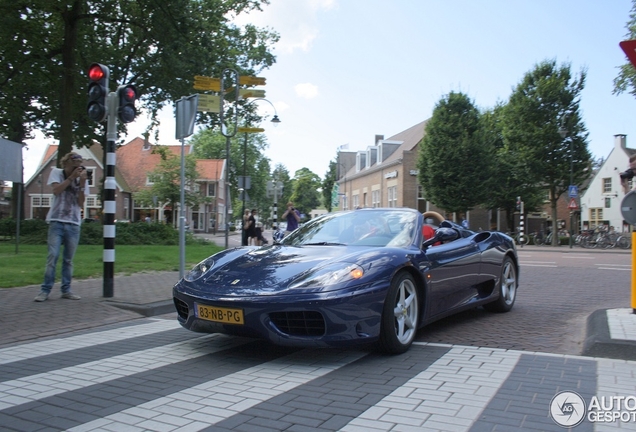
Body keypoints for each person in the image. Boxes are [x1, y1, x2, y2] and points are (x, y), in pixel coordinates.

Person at [34, 152, 89, 302]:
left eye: (78, 166)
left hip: (73, 223)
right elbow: (56, 191)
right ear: (65, 164)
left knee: (68, 260)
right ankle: (45, 290)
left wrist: (82, 184)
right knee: (53, 256)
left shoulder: (81, 179)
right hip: (56, 221)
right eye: (73, 166)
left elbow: (80, 203)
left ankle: (66, 290)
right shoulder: (56, 173)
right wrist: (71, 178)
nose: (76, 169)